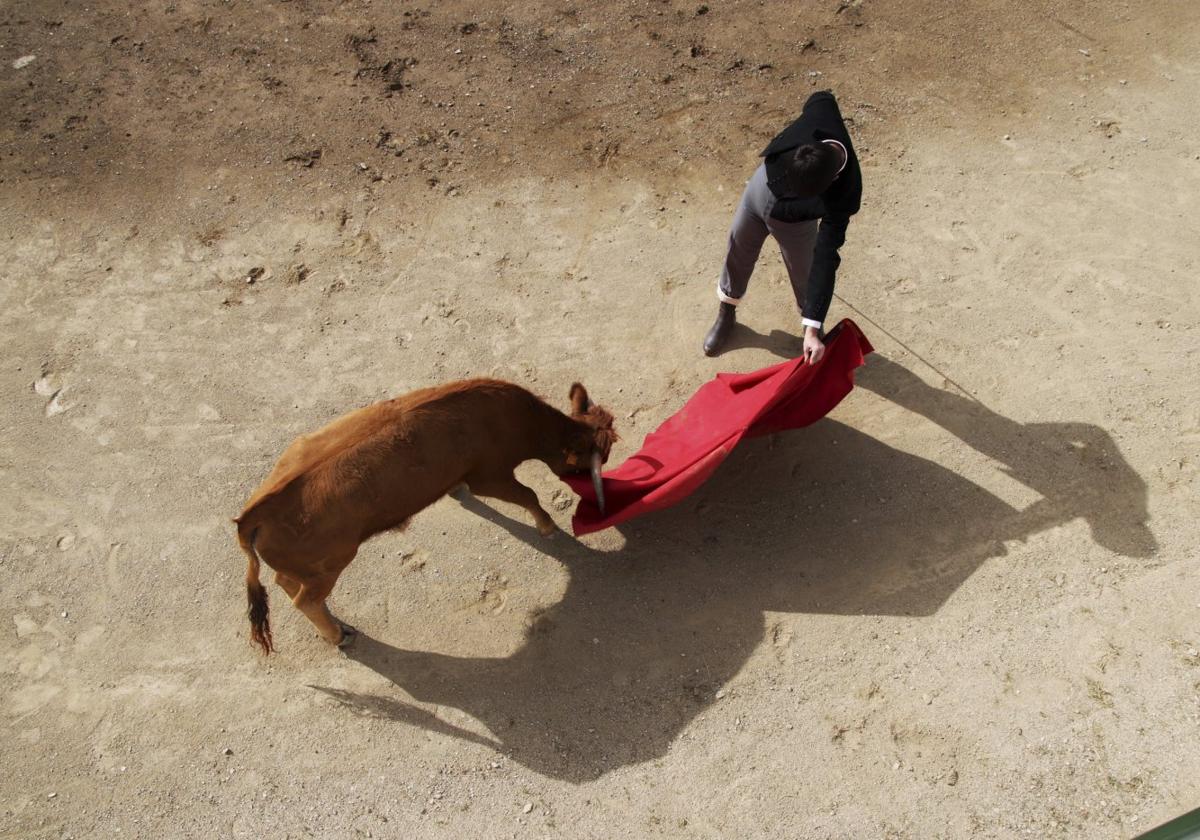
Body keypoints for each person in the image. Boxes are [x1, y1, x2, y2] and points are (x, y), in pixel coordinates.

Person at [703, 90, 862, 362]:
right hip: (759, 190)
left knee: (806, 274)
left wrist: (813, 326)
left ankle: (810, 331)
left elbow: (826, 257)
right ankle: (726, 312)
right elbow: (822, 97)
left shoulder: (846, 192)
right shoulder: (821, 113)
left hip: (795, 223)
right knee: (738, 249)